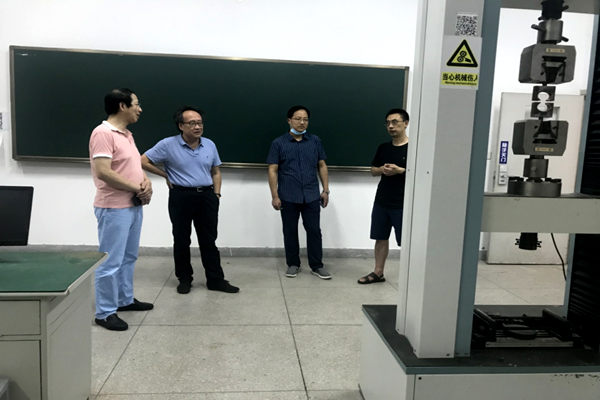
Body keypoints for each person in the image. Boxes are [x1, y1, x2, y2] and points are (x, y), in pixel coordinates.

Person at [141, 106, 239, 295]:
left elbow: (216, 171)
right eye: (192, 123)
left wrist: (217, 194)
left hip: (207, 196)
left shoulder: (209, 144)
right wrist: (165, 175)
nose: (197, 127)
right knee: (181, 239)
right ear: (181, 125)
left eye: (200, 123)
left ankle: (215, 280)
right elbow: (143, 161)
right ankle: (184, 278)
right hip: (181, 196)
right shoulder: (167, 144)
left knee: (209, 240)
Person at [89, 88, 154, 331]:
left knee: (128, 257)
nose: (140, 109)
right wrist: (137, 188)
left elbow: (134, 165)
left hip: (133, 205)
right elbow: (103, 172)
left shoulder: (126, 134)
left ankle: (124, 300)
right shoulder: (103, 133)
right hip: (114, 207)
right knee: (110, 261)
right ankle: (105, 312)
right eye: (136, 104)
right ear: (122, 106)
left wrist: (146, 181)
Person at [267, 105, 331, 279]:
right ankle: (293, 264)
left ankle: (317, 265)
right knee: (290, 230)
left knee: (314, 230)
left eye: (305, 119)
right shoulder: (278, 143)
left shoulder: (315, 141)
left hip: (311, 194)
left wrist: (326, 190)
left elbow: (322, 165)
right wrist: (274, 196)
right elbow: (273, 170)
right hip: (288, 195)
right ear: (289, 121)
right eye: (298, 119)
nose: (302, 122)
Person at [358, 108, 409, 284]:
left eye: (395, 122)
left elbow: (422, 173)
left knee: (407, 242)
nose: (391, 126)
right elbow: (373, 171)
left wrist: (400, 170)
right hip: (382, 200)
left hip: (404, 203)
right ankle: (378, 272)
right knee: (380, 237)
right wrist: (382, 170)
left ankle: (411, 276)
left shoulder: (415, 148)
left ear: (405, 123)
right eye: (388, 123)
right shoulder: (384, 147)